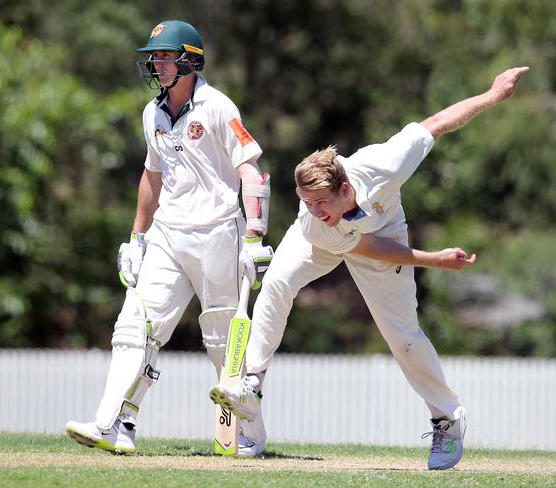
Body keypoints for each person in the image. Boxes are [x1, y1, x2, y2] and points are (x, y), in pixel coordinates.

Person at [210, 66, 530, 468]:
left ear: (345, 189)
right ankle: (251, 386)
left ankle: (447, 419)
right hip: (324, 242)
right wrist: (319, 214)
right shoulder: (314, 220)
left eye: (320, 202)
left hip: (384, 235)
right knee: (276, 282)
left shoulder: (384, 165)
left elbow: (437, 124)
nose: (312, 209)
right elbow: (352, 242)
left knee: (404, 338)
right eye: (305, 202)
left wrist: (493, 94)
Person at [65, 20, 275, 457]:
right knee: (134, 328)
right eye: (153, 57)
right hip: (168, 234)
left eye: (163, 56)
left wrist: (255, 235)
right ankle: (115, 423)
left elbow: (251, 171)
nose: (155, 63)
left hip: (220, 232)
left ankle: (248, 430)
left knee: (222, 339)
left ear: (190, 60)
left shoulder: (218, 107)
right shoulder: (152, 113)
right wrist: (137, 237)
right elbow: (152, 176)